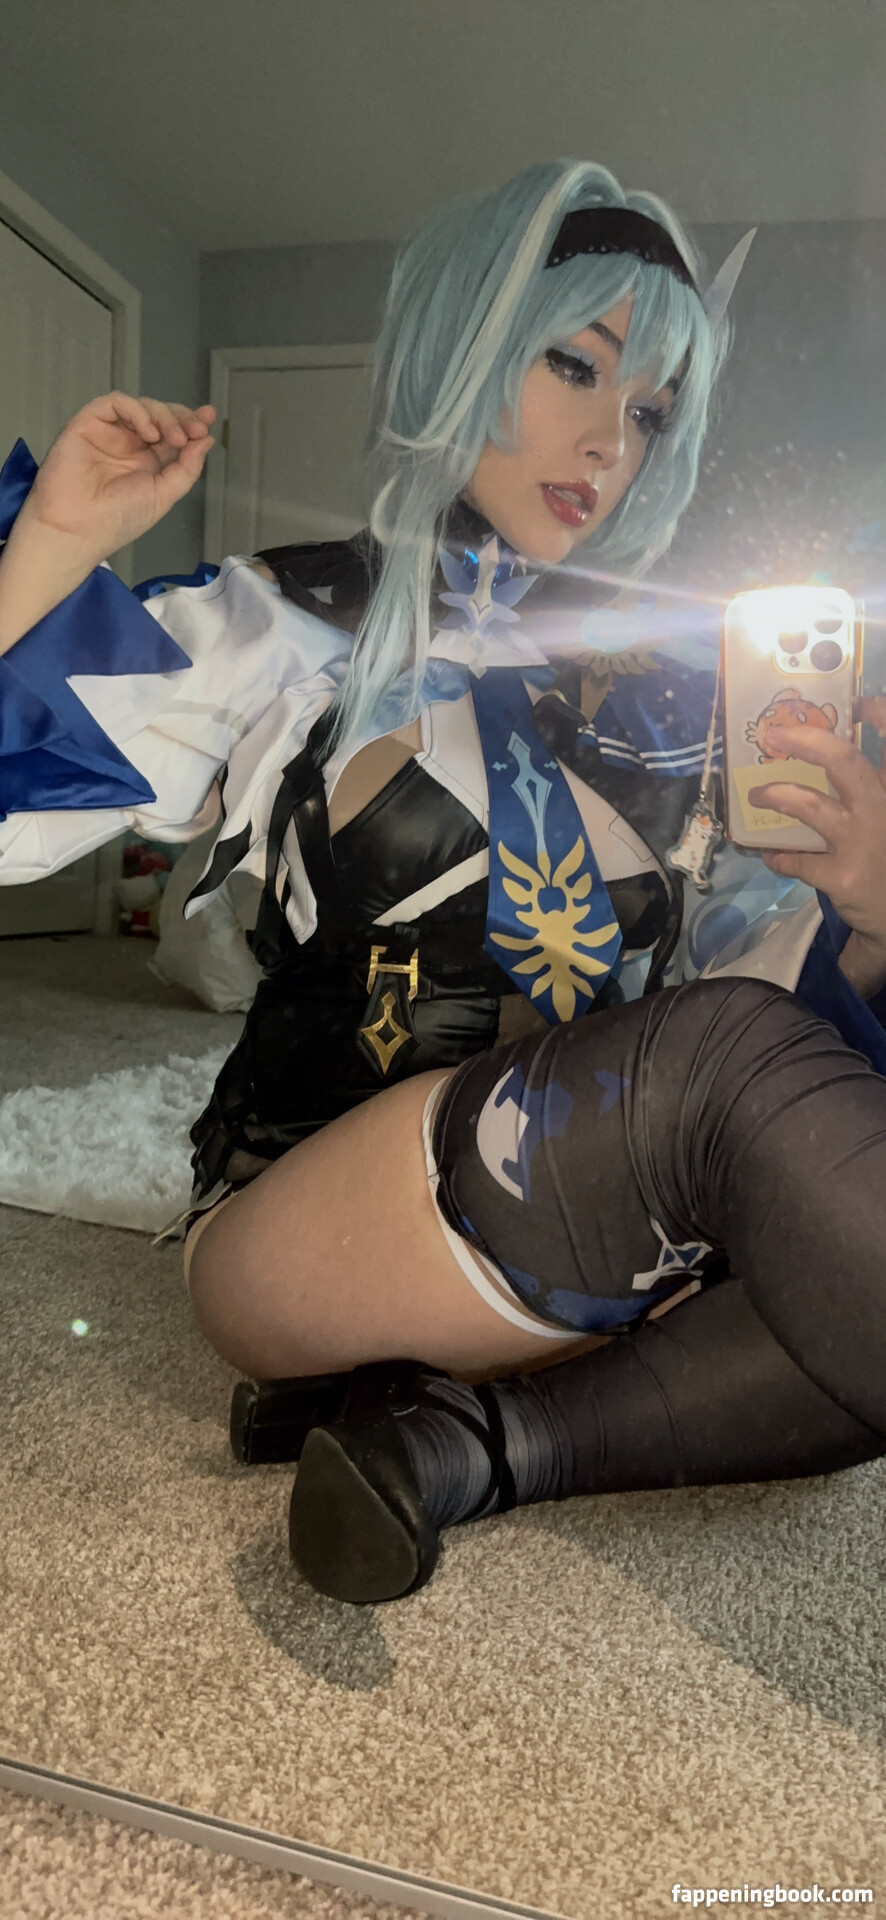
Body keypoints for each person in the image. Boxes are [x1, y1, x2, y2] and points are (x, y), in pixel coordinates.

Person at [2, 161, 886, 1607]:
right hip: (320, 1211)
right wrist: (49, 550)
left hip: (604, 1197)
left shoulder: (679, 692)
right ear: (460, 342)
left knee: (829, 1277)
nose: (608, 441)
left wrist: (867, 904)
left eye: (651, 412)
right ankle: (438, 1377)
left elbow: (754, 996)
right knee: (765, 1143)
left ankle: (468, 1442)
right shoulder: (283, 624)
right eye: (573, 365)